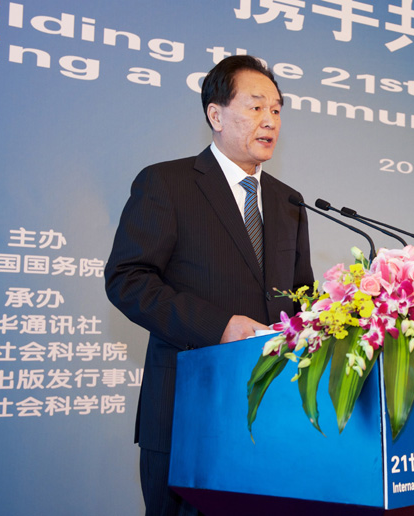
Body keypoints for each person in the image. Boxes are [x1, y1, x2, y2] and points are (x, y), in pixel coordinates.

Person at [104, 55, 314, 516]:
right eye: (256, 107)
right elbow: (128, 279)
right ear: (215, 115)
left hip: (273, 415)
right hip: (188, 412)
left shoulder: (289, 201)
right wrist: (218, 326)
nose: (270, 121)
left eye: (276, 110)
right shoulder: (167, 183)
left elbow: (301, 295)